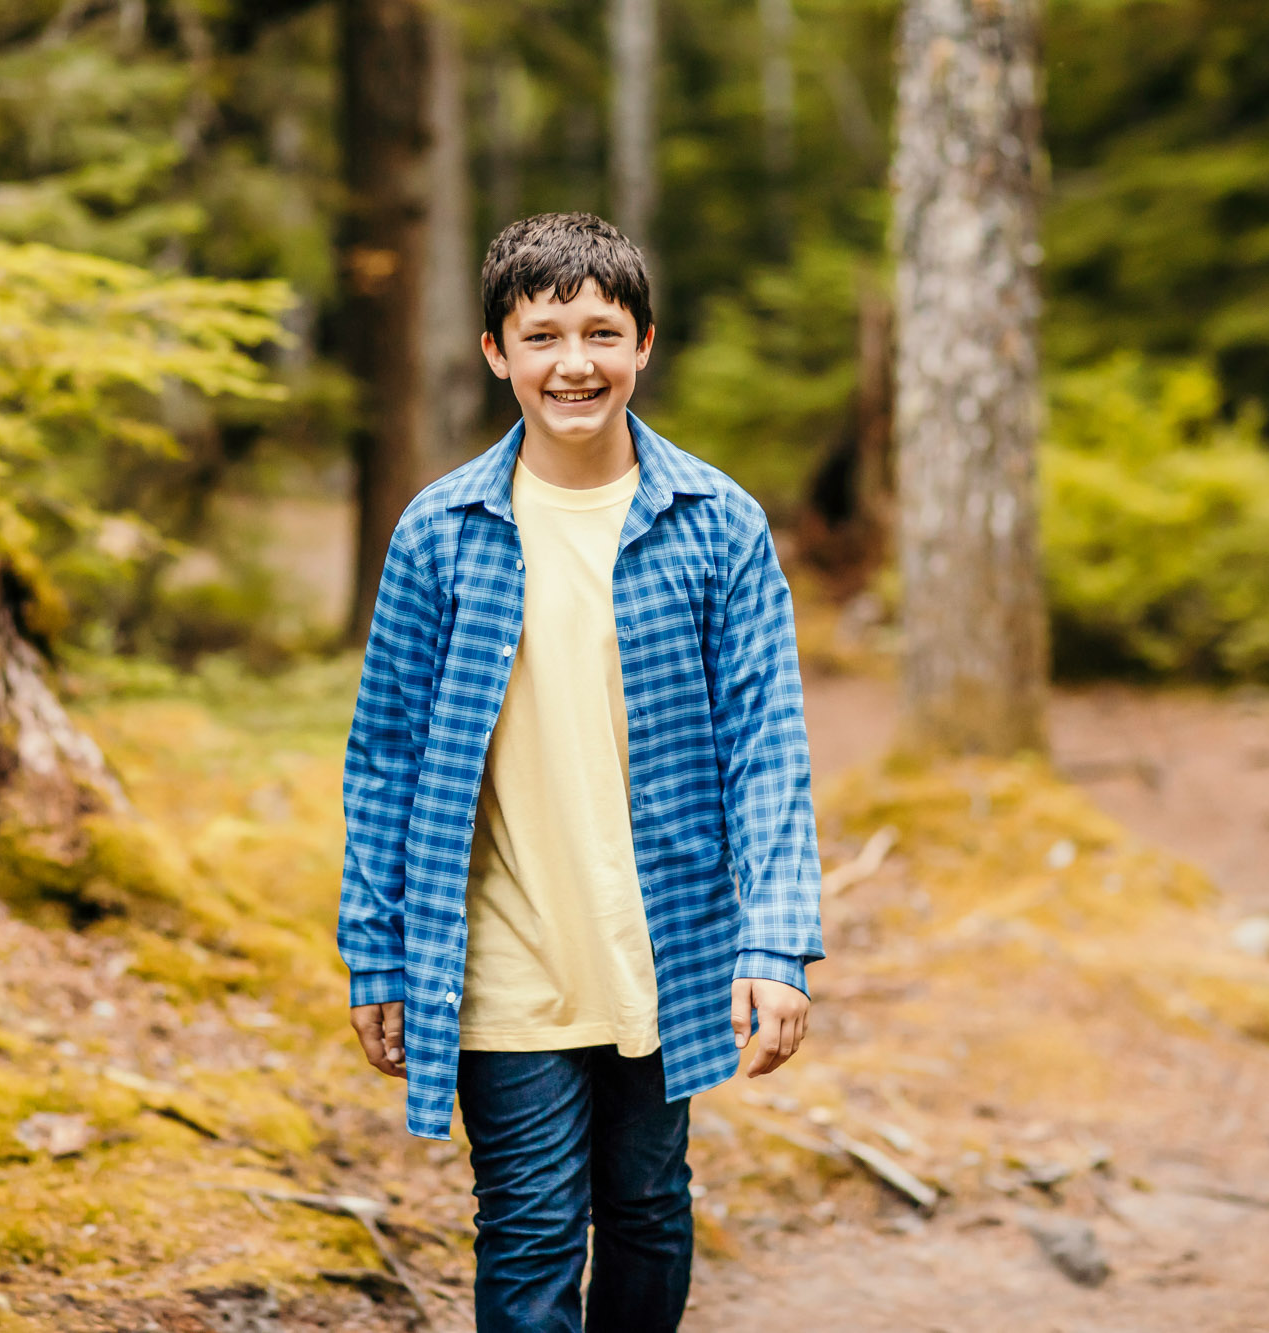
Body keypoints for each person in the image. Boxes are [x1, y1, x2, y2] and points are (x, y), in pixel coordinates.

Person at [337, 211, 824, 1333]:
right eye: (542, 335)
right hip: (500, 948)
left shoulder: (717, 524)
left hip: (662, 940)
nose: (574, 363)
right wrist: (373, 947)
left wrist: (774, 942)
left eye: (600, 333)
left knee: (648, 1209)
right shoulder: (439, 531)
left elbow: (768, 746)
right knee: (530, 1226)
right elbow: (386, 757)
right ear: (495, 352)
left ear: (644, 344)